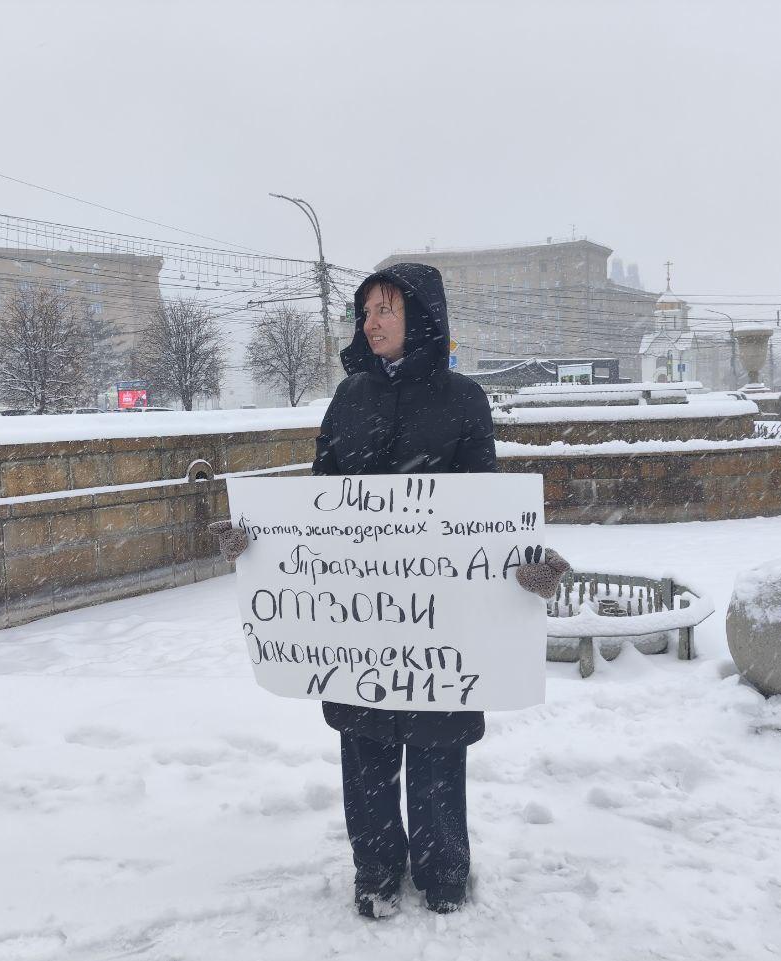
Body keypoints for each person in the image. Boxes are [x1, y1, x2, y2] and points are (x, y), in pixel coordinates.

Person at [212, 263, 569, 918]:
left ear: (420, 316)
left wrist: (528, 564)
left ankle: (442, 872)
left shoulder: (464, 400)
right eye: (365, 311)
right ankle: (375, 871)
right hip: (361, 625)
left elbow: (488, 512)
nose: (370, 322)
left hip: (440, 626)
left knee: (437, 751)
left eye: (384, 309)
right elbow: (313, 506)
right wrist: (252, 542)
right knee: (367, 753)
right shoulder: (349, 398)